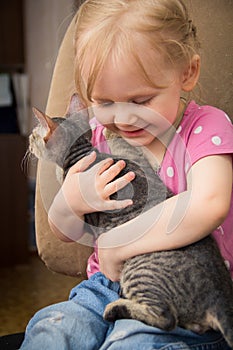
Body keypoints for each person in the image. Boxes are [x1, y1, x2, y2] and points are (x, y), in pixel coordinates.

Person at [20, 0, 233, 349]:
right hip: (104, 286)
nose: (123, 118)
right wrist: (72, 201)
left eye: (140, 100)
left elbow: (209, 203)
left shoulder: (204, 127)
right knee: (52, 329)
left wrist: (119, 247)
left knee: (132, 343)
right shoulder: (96, 136)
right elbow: (64, 232)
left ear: (187, 73)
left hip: (182, 294)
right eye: (105, 103)